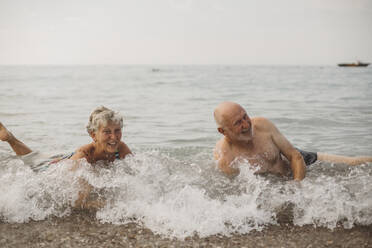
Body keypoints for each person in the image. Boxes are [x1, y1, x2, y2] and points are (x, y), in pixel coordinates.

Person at [0, 106, 132, 208]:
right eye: (107, 132)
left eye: (117, 130)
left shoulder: (121, 148)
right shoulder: (83, 156)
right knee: (33, 162)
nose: (114, 137)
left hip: (67, 157)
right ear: (93, 135)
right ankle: (10, 138)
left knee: (37, 157)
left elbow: (135, 173)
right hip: (54, 168)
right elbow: (77, 202)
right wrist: (111, 205)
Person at [213, 101, 372, 181]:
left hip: (301, 160)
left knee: (355, 163)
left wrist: (297, 188)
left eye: (245, 116)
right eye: (238, 123)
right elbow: (237, 189)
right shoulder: (225, 158)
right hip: (280, 180)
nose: (247, 124)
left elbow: (295, 156)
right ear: (223, 131)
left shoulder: (262, 125)